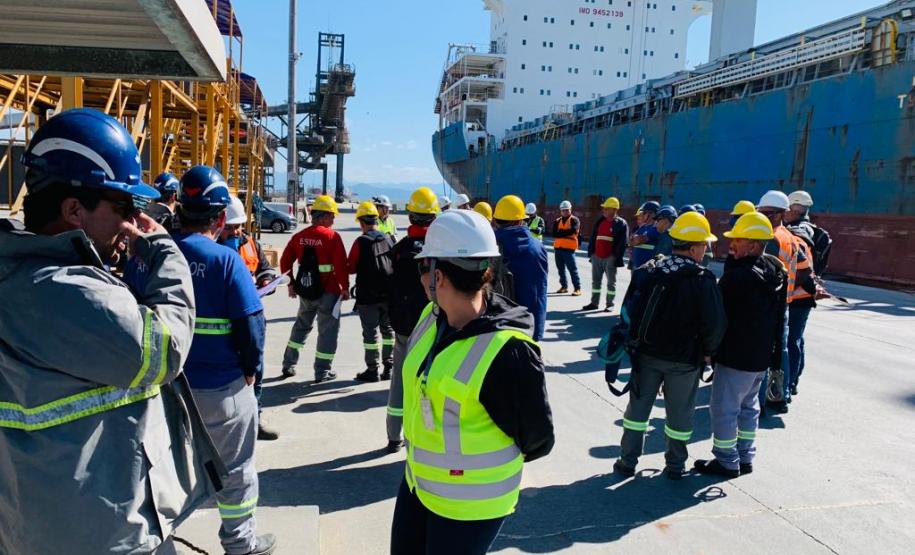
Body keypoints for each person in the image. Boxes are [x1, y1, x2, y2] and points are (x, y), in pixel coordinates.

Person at [0, 108, 220, 555]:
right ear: (74, 209)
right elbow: (164, 350)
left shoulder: (24, 274)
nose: (132, 224)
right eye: (123, 208)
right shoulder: (64, 291)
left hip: (52, 523)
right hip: (101, 533)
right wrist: (163, 252)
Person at [390, 209, 554, 555]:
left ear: (440, 276)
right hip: (419, 483)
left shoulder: (508, 353)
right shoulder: (430, 317)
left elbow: (538, 438)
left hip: (470, 505)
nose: (420, 277)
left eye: (424, 267)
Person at [173, 165, 276, 555]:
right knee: (235, 470)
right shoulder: (226, 261)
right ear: (219, 218)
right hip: (222, 389)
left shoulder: (153, 255)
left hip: (167, 390)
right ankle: (240, 544)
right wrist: (251, 372)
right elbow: (251, 329)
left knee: (171, 468)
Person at [614, 212, 726, 480]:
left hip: (646, 356)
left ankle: (627, 461)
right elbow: (714, 324)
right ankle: (675, 466)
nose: (706, 250)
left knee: (637, 412)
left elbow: (628, 310)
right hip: (684, 361)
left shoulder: (650, 270)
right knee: (679, 415)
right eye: (704, 245)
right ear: (694, 247)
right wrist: (710, 353)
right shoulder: (703, 280)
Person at [694, 212, 787, 478]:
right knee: (749, 408)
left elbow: (718, 317)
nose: (731, 243)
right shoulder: (773, 273)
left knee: (724, 409)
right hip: (759, 358)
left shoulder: (738, 278)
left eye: (738, 240)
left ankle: (726, 460)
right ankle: (745, 456)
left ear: (755, 246)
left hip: (736, 356)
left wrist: (708, 351)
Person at [220, 195, 281, 441]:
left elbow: (265, 267)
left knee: (255, 373)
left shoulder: (250, 243)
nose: (235, 231)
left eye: (238, 226)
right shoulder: (213, 249)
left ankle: (255, 419)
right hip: (224, 324)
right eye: (230, 227)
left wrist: (267, 280)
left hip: (251, 321)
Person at [386, 187, 440, 453]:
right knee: (426, 386)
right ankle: (418, 441)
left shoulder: (398, 249)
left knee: (399, 380)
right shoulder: (438, 252)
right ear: (434, 218)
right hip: (430, 326)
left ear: (410, 216)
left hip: (403, 325)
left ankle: (393, 435)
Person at [280, 195, 350, 383]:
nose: (333, 220)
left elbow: (285, 260)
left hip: (306, 290)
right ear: (324, 216)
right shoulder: (332, 237)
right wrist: (345, 287)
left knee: (301, 327)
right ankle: (322, 372)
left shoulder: (299, 237)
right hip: (330, 292)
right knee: (327, 332)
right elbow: (341, 265)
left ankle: (288, 364)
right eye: (332, 216)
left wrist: (291, 284)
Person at [757, 190, 810, 413]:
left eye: (767, 213)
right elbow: (804, 272)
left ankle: (757, 401)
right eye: (761, 212)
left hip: (769, 304)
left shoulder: (771, 239)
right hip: (784, 302)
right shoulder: (790, 237)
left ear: (780, 214)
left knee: (761, 352)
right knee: (782, 350)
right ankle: (782, 394)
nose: (763, 216)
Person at [349, 201, 397, 382]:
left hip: (367, 296)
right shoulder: (388, 239)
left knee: (370, 334)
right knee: (388, 331)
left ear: (361, 222)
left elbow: (351, 267)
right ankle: (389, 368)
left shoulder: (360, 242)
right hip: (388, 295)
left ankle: (372, 370)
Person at [493, 195, 549, 341]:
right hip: (529, 325)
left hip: (497, 326)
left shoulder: (489, 247)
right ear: (520, 220)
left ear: (496, 220)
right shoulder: (538, 248)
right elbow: (540, 291)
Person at [584, 197, 628, 311]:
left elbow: (622, 243)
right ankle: (594, 303)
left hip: (610, 258)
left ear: (613, 209)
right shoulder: (600, 221)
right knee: (596, 282)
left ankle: (610, 304)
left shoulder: (621, 224)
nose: (603, 210)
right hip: (597, 256)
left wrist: (615, 257)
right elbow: (594, 237)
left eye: (606, 208)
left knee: (611, 283)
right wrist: (592, 253)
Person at [785, 190, 832, 276]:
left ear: (794, 211)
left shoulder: (798, 230)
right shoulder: (812, 230)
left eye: (786, 209)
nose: (784, 213)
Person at [552, 200, 582, 295]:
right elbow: (554, 233)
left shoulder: (574, 220)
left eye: (567, 210)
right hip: (558, 248)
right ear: (561, 211)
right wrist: (564, 233)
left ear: (570, 209)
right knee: (560, 269)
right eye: (563, 210)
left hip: (569, 249)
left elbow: (573, 230)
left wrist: (560, 233)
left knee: (572, 269)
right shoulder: (557, 221)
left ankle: (577, 288)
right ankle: (564, 286)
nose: (565, 212)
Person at [628, 201, 660, 269]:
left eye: (644, 213)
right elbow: (630, 241)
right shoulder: (642, 227)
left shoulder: (656, 228)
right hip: (636, 266)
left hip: (647, 268)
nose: (642, 215)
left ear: (653, 214)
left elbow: (638, 240)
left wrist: (636, 239)